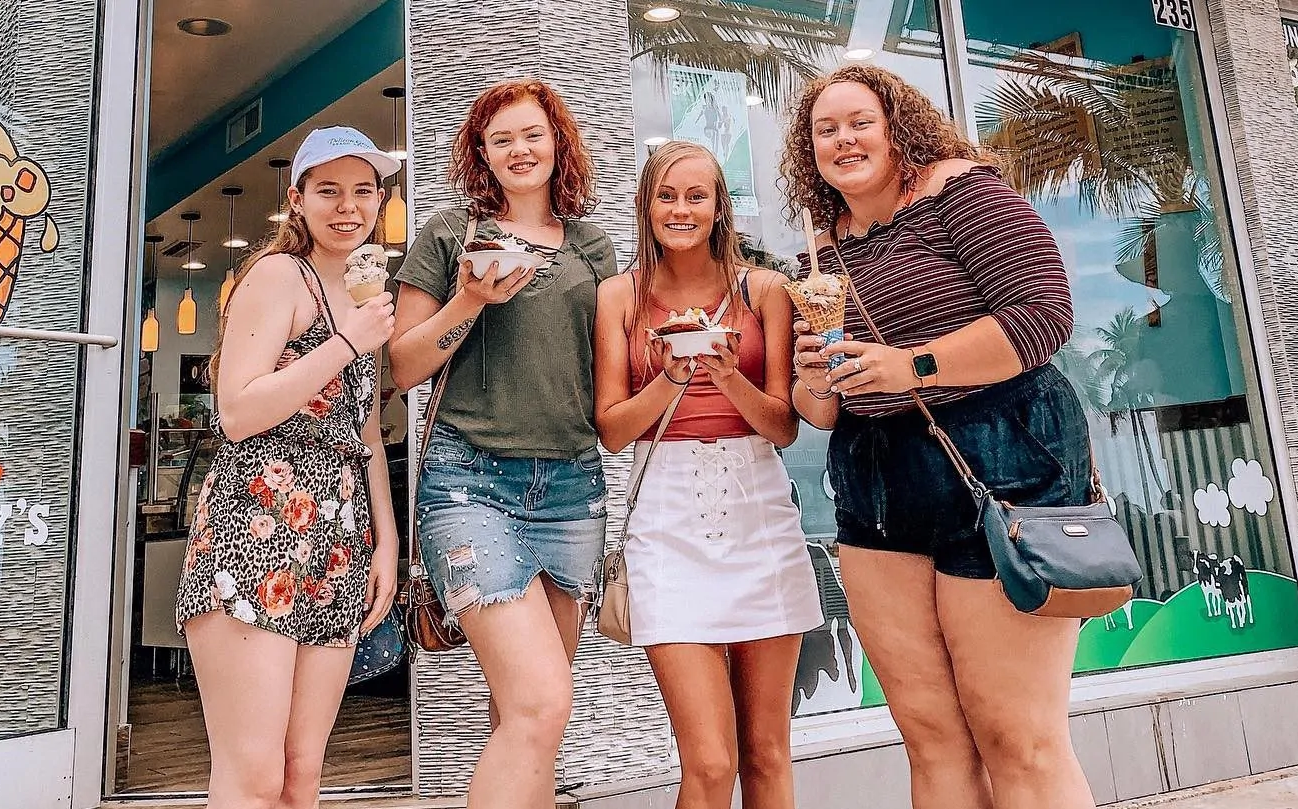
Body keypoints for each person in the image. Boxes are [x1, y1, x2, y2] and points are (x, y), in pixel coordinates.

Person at [780, 65, 1095, 809]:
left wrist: (909, 365)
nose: (843, 138)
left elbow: (1043, 314)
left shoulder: (961, 192)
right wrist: (816, 375)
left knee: (1018, 736)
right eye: (825, 130)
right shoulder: (820, 257)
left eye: (859, 121)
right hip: (877, 486)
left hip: (1003, 456)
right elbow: (819, 413)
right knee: (931, 737)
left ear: (897, 128)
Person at [387, 79, 616, 809]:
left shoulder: (591, 245)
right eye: (502, 139)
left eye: (532, 135)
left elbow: (611, 367)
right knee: (542, 702)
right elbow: (403, 365)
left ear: (559, 145)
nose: (520, 150)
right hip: (470, 483)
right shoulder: (453, 233)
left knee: (526, 716)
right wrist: (471, 298)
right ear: (481, 154)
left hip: (573, 486)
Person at [175, 126, 401, 809]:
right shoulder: (279, 276)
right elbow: (237, 412)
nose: (347, 206)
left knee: (303, 775)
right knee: (254, 776)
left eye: (363, 190)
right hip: (256, 530)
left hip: (335, 539)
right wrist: (344, 344)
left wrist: (384, 539)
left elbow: (362, 431)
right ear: (297, 200)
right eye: (327, 190)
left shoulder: (359, 296)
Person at [593, 140, 822, 809]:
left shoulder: (765, 290)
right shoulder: (619, 296)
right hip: (667, 516)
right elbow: (611, 428)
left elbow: (782, 424)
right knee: (711, 761)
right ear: (646, 205)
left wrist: (728, 378)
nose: (681, 208)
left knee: (768, 753)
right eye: (667, 195)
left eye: (697, 195)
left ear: (720, 205)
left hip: (758, 509)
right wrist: (670, 378)